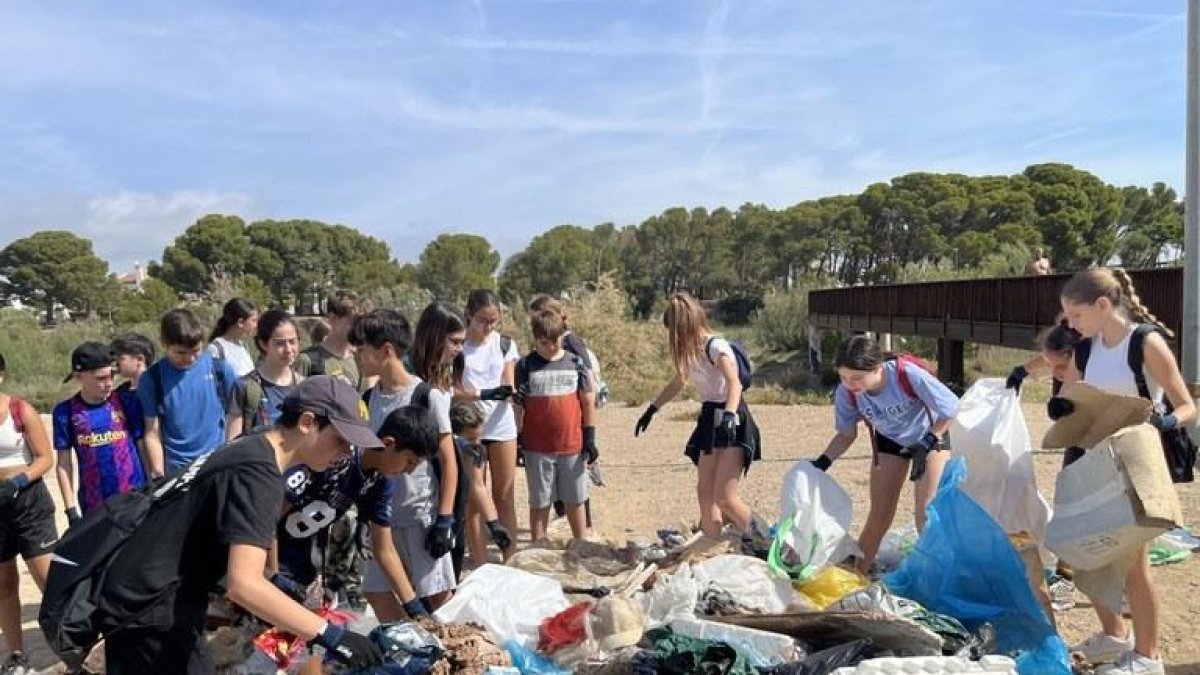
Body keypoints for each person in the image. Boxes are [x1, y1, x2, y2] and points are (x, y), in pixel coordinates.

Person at [95, 376, 384, 674]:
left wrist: (272, 580)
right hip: (150, 604)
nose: (347, 453)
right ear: (308, 422)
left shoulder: (252, 447)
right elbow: (243, 585)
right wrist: (328, 633)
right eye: (341, 440)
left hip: (142, 592)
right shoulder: (260, 473)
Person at [1052, 268, 1194, 675]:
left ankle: (1148, 657)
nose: (1070, 324)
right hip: (1093, 456)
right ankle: (1114, 636)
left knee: (1134, 562)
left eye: (1075, 315)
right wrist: (1062, 406)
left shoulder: (1145, 343)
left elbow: (1187, 407)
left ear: (1102, 305)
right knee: (1085, 550)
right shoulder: (1085, 349)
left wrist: (1161, 423)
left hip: (1136, 461)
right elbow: (1074, 395)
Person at [271, 405, 439, 675]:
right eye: (409, 461)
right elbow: (267, 516)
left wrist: (414, 607)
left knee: (309, 656)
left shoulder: (380, 484)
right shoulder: (333, 459)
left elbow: (385, 551)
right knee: (264, 657)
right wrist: (272, 573)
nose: (408, 471)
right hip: (273, 567)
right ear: (388, 444)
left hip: (308, 576)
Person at [810, 334, 958, 574]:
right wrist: (822, 462)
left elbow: (951, 407)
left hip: (929, 437)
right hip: (890, 440)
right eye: (844, 377)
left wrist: (928, 440)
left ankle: (939, 576)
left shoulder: (906, 374)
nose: (850, 384)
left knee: (926, 515)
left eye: (856, 378)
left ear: (877, 368)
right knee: (878, 514)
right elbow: (847, 435)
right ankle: (858, 574)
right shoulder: (846, 393)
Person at [352, 309, 459, 617]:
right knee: (377, 593)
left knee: (438, 598)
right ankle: (408, 650)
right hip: (381, 517)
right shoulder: (370, 397)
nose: (358, 357)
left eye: (362, 351)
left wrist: (445, 519)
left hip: (419, 515)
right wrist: (362, 517)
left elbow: (449, 462)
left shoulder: (426, 395)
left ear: (385, 350)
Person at [633, 292, 762, 539]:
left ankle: (775, 543)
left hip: (732, 418)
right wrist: (652, 409)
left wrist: (729, 416)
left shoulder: (716, 347)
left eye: (677, 331)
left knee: (725, 499)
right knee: (705, 493)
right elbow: (678, 381)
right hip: (709, 420)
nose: (676, 338)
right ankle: (713, 544)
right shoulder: (691, 352)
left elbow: (734, 383)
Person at [411, 302, 511, 574]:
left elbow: (475, 483)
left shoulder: (448, 367)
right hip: (418, 479)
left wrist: (494, 524)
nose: (458, 350)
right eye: (453, 342)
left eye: (461, 342)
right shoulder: (411, 375)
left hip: (446, 480)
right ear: (433, 336)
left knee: (449, 561)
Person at [514, 308, 597, 542]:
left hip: (572, 445)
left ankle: (581, 546)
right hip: (537, 447)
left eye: (555, 341)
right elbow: (518, 405)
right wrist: (519, 439)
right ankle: (539, 547)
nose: (550, 347)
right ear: (535, 338)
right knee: (540, 502)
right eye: (544, 342)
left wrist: (590, 437)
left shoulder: (575, 363)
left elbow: (587, 400)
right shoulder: (525, 365)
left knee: (575, 499)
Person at [0, 354, 58, 675]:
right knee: (4, 584)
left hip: (28, 502)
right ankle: (18, 656)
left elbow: (44, 458)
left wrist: (19, 481)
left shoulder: (20, 411)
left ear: (2, 375)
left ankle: (70, 644)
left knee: (48, 579)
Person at [53, 342, 146, 525]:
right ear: (79, 377)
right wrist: (71, 510)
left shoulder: (126, 401)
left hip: (135, 498)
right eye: (100, 378)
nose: (109, 383)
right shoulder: (65, 412)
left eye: (111, 375)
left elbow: (142, 444)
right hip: (94, 505)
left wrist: (152, 484)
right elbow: (63, 464)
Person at [455, 290, 520, 548]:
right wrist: (480, 394)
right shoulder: (458, 347)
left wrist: (511, 392)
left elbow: (509, 381)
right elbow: (451, 390)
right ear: (469, 315)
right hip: (472, 428)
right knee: (473, 500)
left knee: (504, 496)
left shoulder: (504, 343)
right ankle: (481, 565)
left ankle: (511, 558)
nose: (489, 326)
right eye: (483, 320)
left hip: (502, 425)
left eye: (494, 321)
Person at [139, 309, 239, 477]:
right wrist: (158, 474)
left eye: (196, 351)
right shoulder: (152, 379)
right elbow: (152, 431)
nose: (191, 358)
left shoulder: (220, 370)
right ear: (164, 343)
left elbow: (236, 415)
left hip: (217, 466)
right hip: (177, 471)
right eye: (182, 353)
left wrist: (230, 454)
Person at [448, 403, 513, 574]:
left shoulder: (472, 451)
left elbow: (478, 485)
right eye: (470, 439)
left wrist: (494, 524)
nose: (476, 444)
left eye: (479, 439)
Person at [226, 310, 303, 440]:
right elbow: (232, 443)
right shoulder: (245, 387)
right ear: (263, 344)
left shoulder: (304, 386)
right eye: (280, 343)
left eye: (292, 341)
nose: (288, 349)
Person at [297, 290, 368, 389]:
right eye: (353, 321)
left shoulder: (360, 361)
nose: (358, 327)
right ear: (332, 318)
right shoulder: (307, 361)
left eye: (360, 322)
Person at [207, 298, 259, 378]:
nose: (256, 325)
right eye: (253, 321)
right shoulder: (216, 348)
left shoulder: (243, 346)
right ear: (240, 322)